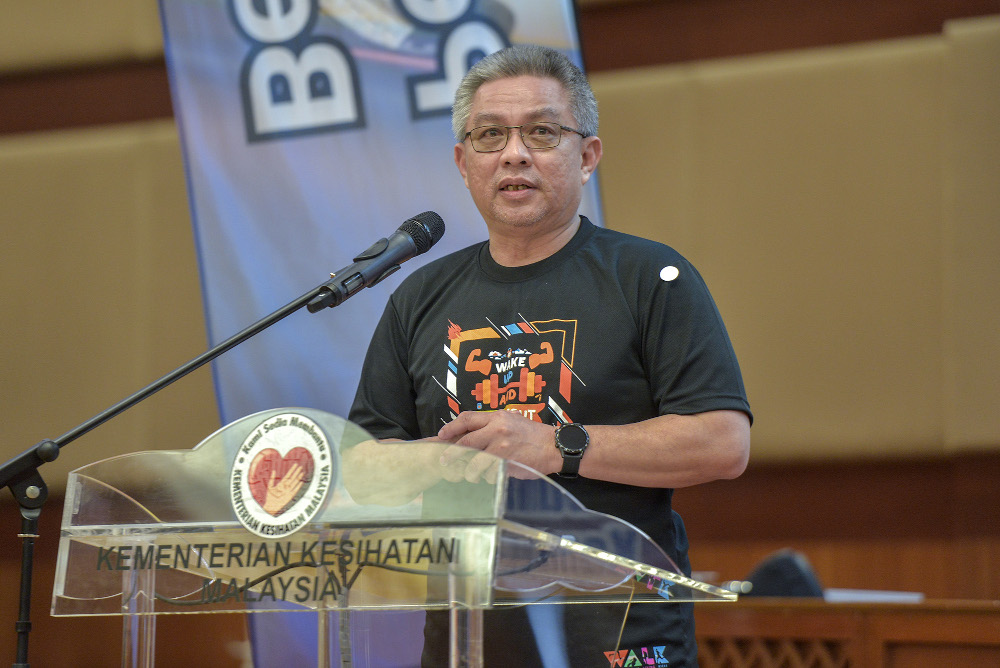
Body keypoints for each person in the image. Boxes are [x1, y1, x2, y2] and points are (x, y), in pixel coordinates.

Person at [348, 43, 751, 667]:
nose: (513, 152)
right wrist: (446, 461)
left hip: (620, 632)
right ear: (463, 162)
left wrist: (557, 446)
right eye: (489, 135)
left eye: (541, 131)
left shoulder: (650, 277)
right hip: (468, 638)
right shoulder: (418, 297)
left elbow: (723, 442)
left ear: (587, 154)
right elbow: (364, 467)